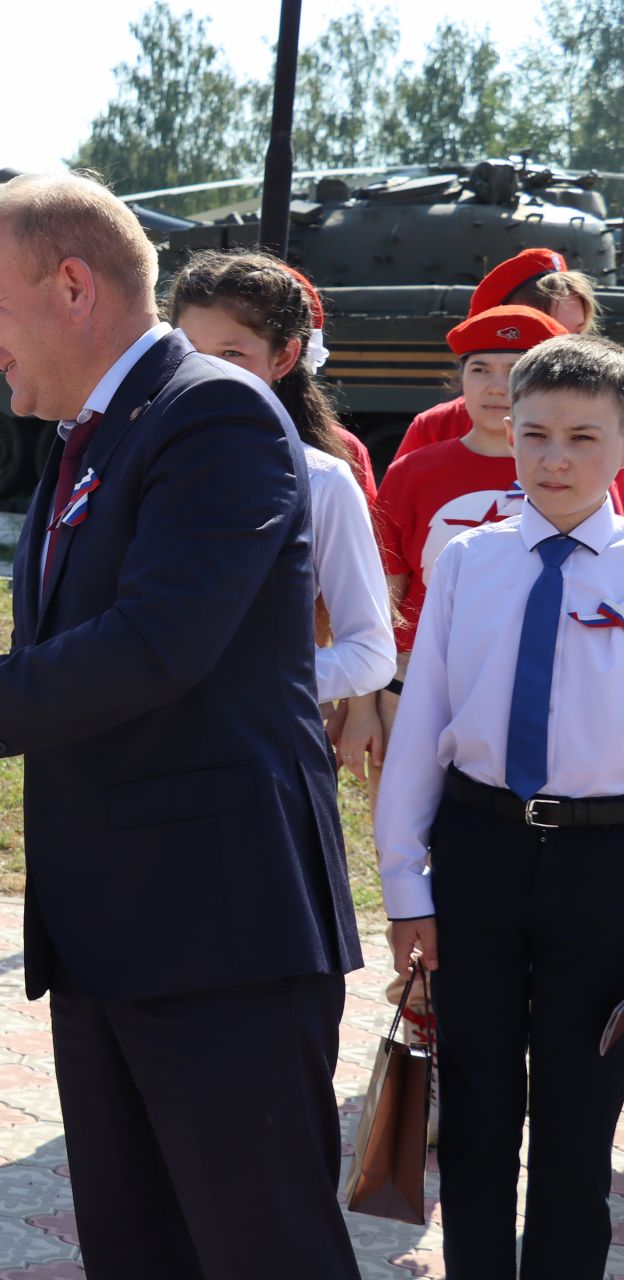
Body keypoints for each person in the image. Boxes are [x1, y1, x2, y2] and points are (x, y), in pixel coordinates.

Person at [0, 172, 364, 1278]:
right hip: (114, 923)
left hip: (219, 927)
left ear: (72, 286)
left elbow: (157, 645)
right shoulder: (86, 434)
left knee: (263, 1247)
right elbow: (69, 650)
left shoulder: (212, 410)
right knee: (138, 1246)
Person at [376, 333, 624, 1277]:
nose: (555, 459)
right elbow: (424, 724)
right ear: (507, 435)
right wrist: (407, 887)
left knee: (578, 1118)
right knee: (476, 1113)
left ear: (622, 447)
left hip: (604, 866)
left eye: (584, 438)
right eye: (535, 435)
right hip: (477, 853)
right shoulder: (469, 564)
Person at [352, 308, 574, 801]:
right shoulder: (413, 472)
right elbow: (379, 595)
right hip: (414, 679)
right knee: (402, 823)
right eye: (480, 370)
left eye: (516, 370)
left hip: (539, 679)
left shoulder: (576, 477)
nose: (497, 387)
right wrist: (363, 705)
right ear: (460, 380)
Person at [167, 251, 395, 709]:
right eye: (188, 351)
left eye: (233, 353)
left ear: (285, 357)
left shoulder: (323, 481)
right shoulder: (127, 457)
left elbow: (370, 653)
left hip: (246, 744)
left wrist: (245, 680)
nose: (206, 373)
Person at [393, 248, 602, 463]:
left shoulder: (603, 427)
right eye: (546, 331)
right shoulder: (437, 426)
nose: (566, 350)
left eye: (576, 334)